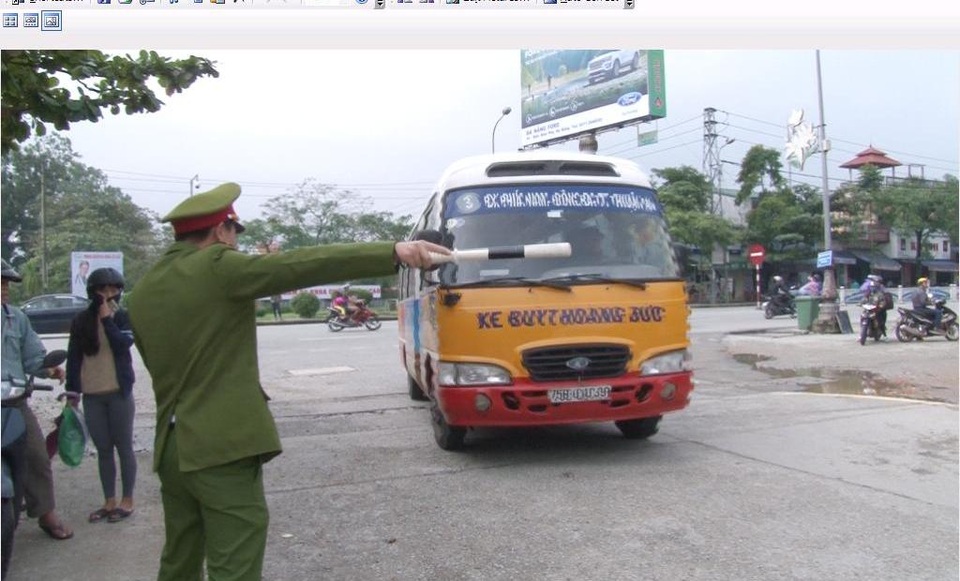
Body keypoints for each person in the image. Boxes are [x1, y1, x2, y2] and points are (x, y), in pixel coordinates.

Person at [126, 183, 450, 581]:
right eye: (234, 234)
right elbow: (303, 264)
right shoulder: (217, 267)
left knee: (179, 558)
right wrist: (392, 251)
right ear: (220, 230)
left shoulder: (143, 290)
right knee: (235, 564)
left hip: (172, 448)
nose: (235, 245)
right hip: (220, 448)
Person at [0, 259, 73, 540]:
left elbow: (32, 358)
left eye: (6, 283)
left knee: (37, 456)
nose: (5, 288)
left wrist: (50, 368)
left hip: (14, 403)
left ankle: (45, 513)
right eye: (0, 283)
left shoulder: (16, 318)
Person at [65, 267, 138, 525]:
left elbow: (122, 344)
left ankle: (127, 500)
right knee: (104, 449)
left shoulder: (123, 318)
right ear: (92, 292)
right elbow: (74, 356)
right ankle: (109, 501)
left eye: (113, 289)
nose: (108, 294)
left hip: (119, 393)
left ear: (119, 291)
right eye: (102, 290)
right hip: (93, 395)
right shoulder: (81, 321)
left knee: (124, 446)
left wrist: (107, 319)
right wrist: (72, 392)